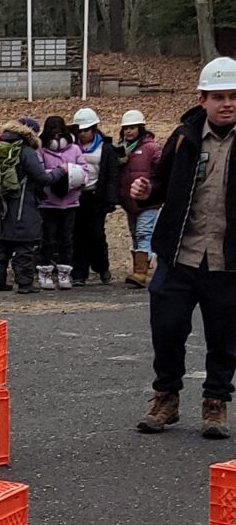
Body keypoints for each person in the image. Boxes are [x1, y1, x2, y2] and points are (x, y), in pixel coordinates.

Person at [137, 56, 236, 438]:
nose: (227, 103)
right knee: (167, 329)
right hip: (179, 255)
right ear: (202, 99)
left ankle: (216, 403)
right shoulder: (183, 137)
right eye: (218, 96)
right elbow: (160, 187)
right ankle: (166, 398)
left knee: (225, 336)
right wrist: (145, 192)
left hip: (228, 261)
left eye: (233, 96)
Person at [0, 116, 44, 293]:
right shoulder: (26, 151)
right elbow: (42, 177)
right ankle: (25, 283)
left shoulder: (1, 147)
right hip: (22, 208)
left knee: (1, 247)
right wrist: (61, 171)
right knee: (24, 248)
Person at [33, 114, 90, 289]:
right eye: (53, 133)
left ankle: (65, 273)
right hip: (48, 203)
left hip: (70, 202)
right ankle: (45, 272)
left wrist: (75, 173)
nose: (57, 136)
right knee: (48, 239)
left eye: (60, 133)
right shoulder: (41, 152)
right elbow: (40, 174)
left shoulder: (75, 150)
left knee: (67, 239)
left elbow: (85, 171)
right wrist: (58, 171)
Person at [69, 106, 121, 285]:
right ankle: (79, 273)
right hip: (76, 196)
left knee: (97, 235)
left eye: (86, 130)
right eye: (80, 130)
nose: (83, 134)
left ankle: (102, 267)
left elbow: (112, 175)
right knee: (77, 236)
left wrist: (110, 199)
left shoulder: (106, 148)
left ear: (94, 129)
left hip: (96, 197)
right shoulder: (72, 147)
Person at [117, 108, 162, 288]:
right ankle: (143, 262)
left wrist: (153, 188)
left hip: (149, 201)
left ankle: (141, 273)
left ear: (140, 128)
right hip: (129, 201)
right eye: (126, 128)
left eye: (132, 128)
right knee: (135, 234)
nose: (128, 131)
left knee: (144, 231)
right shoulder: (121, 150)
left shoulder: (151, 148)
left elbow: (162, 169)